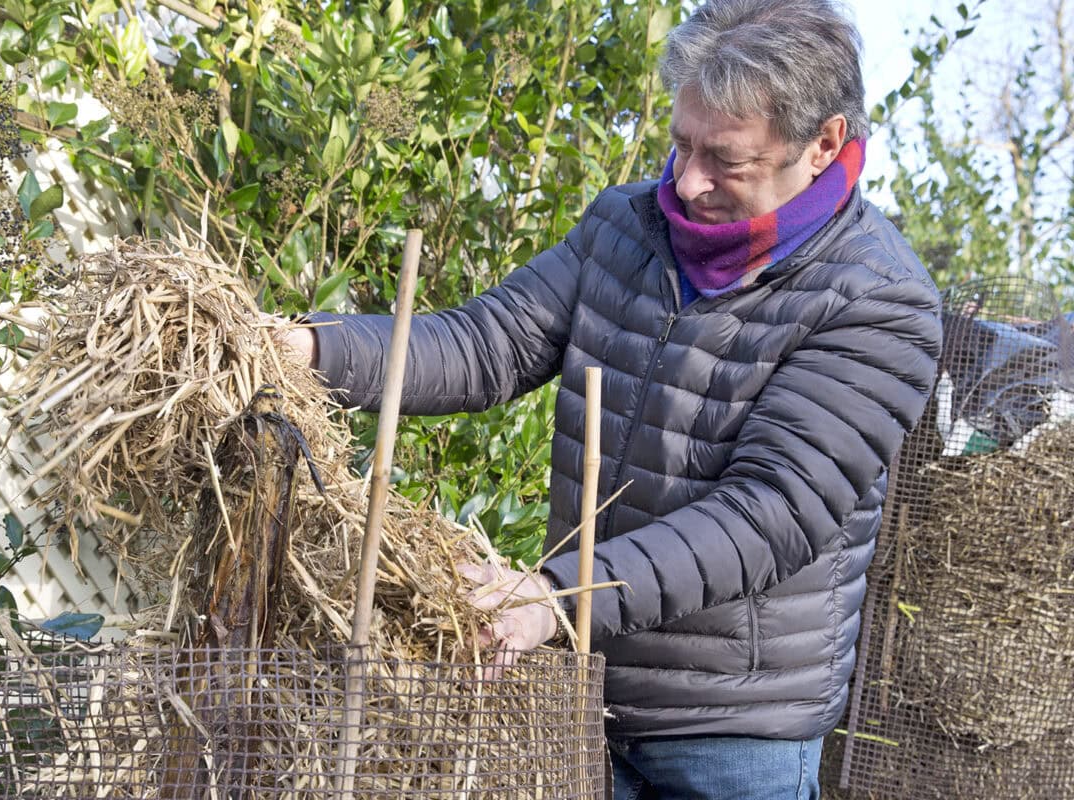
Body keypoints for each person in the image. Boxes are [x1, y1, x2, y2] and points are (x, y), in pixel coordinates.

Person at [283, 0, 941, 796]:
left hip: (732, 728)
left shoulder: (878, 300)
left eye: (725, 160)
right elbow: (489, 344)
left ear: (823, 144)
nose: (689, 183)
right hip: (585, 691)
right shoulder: (627, 226)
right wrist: (313, 349)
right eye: (681, 144)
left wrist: (560, 596)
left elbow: (770, 512)